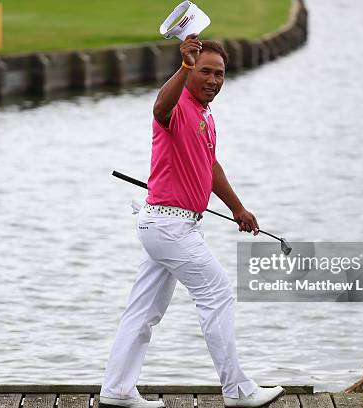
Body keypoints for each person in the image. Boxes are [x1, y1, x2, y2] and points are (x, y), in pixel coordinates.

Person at [99, 34, 284, 408]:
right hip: (169, 227)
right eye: (205, 72)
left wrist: (238, 208)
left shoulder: (204, 114)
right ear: (190, 70)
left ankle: (117, 391)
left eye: (220, 74)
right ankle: (238, 391)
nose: (214, 80)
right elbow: (158, 108)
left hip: (167, 226)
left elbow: (210, 166)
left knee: (143, 310)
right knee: (218, 294)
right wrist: (183, 67)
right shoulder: (178, 104)